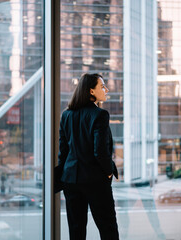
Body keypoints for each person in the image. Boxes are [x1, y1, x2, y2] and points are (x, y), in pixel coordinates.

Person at [58, 73, 119, 240]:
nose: (106, 89)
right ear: (91, 91)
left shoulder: (66, 115)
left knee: (76, 231)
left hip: (70, 180)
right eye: (102, 86)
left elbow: (62, 152)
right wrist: (108, 172)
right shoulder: (100, 115)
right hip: (95, 180)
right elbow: (100, 151)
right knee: (108, 229)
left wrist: (64, 175)